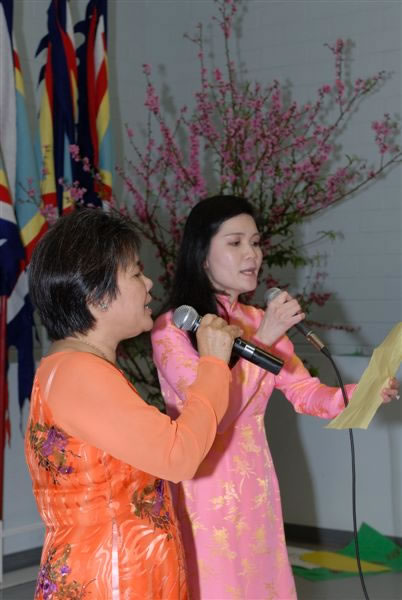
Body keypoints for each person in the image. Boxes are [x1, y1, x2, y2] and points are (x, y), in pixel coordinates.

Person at [151, 195, 400, 600]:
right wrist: (265, 337)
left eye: (255, 242)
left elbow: (305, 392)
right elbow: (212, 414)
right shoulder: (173, 329)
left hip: (257, 485)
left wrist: (365, 391)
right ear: (201, 254)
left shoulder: (254, 320)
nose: (252, 254)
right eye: (235, 243)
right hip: (204, 490)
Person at [25, 207, 242, 600]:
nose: (149, 283)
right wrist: (212, 364)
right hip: (114, 580)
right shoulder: (80, 373)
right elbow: (178, 456)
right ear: (96, 296)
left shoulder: (69, 366)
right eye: (136, 273)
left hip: (117, 569)